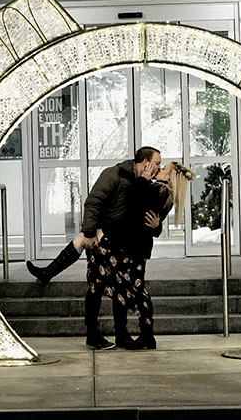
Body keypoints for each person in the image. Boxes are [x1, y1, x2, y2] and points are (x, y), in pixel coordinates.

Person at [25, 147, 162, 349]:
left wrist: (157, 226)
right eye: (157, 162)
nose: (159, 167)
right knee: (95, 282)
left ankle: (118, 334)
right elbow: (94, 202)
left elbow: (149, 215)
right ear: (145, 162)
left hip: (119, 242)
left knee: (117, 288)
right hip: (104, 236)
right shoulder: (114, 174)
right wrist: (91, 231)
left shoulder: (145, 183)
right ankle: (93, 333)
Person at [92, 160, 196, 350]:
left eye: (164, 169)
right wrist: (157, 226)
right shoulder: (165, 193)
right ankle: (134, 335)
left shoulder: (160, 190)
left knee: (136, 292)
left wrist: (142, 179)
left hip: (132, 247)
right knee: (124, 290)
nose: (160, 169)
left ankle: (146, 335)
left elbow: (133, 202)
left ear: (171, 177)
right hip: (137, 248)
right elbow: (149, 217)